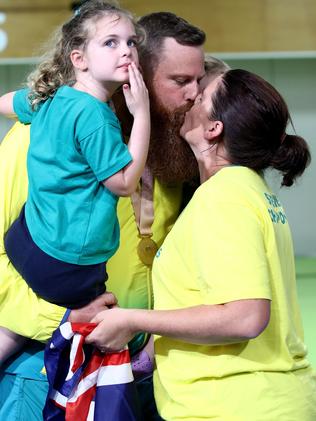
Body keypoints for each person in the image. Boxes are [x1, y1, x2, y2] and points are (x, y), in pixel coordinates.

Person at [0, 10, 207, 421]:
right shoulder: (35, 136)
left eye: (198, 81)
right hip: (43, 371)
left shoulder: (171, 156)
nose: (194, 95)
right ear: (136, 78)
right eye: (180, 82)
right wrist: (63, 320)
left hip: (137, 371)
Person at [85, 68, 316, 421]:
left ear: (213, 129)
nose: (192, 97)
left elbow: (246, 316)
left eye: (203, 95)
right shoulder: (248, 190)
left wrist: (132, 319)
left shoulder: (225, 196)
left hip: (237, 405)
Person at [0, 0, 150, 364]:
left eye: (131, 42)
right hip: (68, 266)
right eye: (111, 43)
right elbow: (125, 182)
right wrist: (141, 114)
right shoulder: (97, 116)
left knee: (12, 331)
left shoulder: (51, 98)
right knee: (109, 316)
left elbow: (8, 103)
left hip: (25, 241)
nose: (127, 51)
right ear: (79, 59)